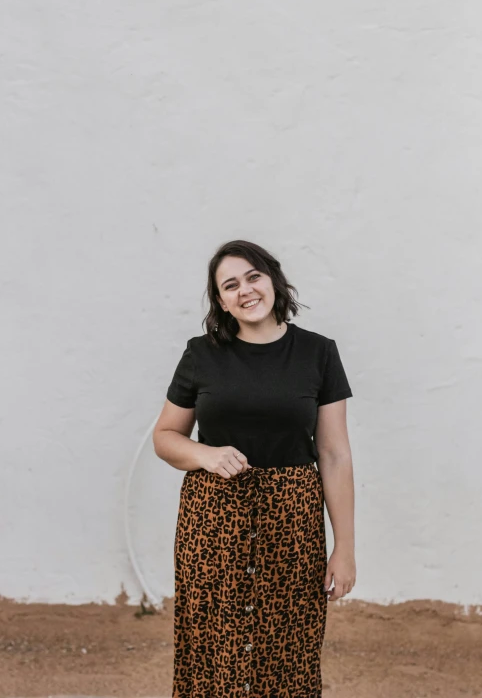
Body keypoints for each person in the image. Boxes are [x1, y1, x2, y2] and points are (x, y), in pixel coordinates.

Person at [153, 239, 356, 698]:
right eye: (230, 284)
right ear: (220, 300)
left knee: (290, 646)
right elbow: (165, 437)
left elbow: (335, 455)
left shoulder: (319, 353)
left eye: (253, 276)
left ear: (273, 279)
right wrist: (205, 454)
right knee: (212, 644)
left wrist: (344, 547)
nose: (245, 290)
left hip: (293, 521)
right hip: (213, 521)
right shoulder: (200, 354)